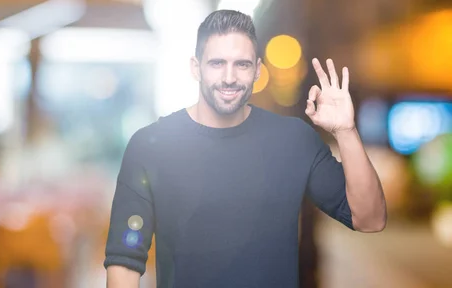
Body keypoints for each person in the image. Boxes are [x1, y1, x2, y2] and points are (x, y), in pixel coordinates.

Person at [104, 9, 387, 288]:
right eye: (217, 63)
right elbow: (124, 262)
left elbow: (370, 218)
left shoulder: (293, 141)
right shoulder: (151, 147)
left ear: (257, 70)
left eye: (242, 64)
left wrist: (346, 132)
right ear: (195, 67)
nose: (229, 77)